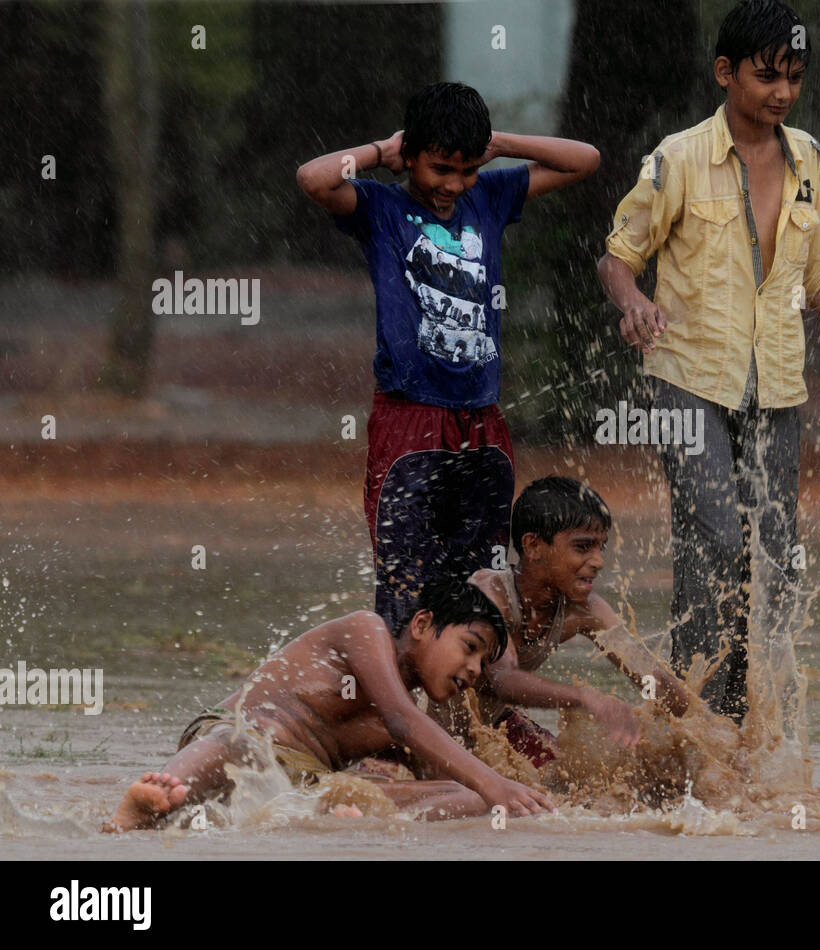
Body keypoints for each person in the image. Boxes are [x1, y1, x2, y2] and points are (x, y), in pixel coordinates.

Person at [596, 0, 820, 722]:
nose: (782, 92)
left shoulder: (808, 157)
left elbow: (814, 276)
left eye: (794, 77)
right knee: (716, 540)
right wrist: (633, 302)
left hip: (777, 386)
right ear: (726, 73)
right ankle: (696, 716)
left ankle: (743, 724)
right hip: (688, 380)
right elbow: (617, 258)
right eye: (766, 76)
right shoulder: (678, 158)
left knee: (775, 564)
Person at [297, 81, 600, 632]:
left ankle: (475, 714)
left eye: (466, 170)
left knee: (482, 582)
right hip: (408, 418)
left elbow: (586, 160)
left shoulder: (487, 196)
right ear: (409, 157)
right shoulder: (380, 207)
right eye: (440, 170)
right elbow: (314, 179)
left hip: (481, 422)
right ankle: (395, 711)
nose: (454, 185)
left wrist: (501, 143)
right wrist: (378, 153)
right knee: (405, 582)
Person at [103, 579, 556, 832]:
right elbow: (402, 721)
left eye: (482, 662)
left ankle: (327, 820)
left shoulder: (417, 714)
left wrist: (510, 796)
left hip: (293, 787)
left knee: (465, 795)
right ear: (422, 624)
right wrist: (498, 784)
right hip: (241, 740)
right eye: (470, 647)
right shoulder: (366, 631)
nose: (474, 669)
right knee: (238, 743)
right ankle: (148, 802)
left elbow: (436, 772)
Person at [431, 476, 702, 767]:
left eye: (601, 547)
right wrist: (586, 698)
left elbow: (647, 676)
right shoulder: (490, 595)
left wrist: (707, 729)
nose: (598, 561)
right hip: (432, 736)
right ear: (533, 546)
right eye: (583, 547)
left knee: (584, 777)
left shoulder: (585, 610)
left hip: (494, 727)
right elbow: (505, 681)